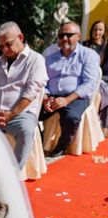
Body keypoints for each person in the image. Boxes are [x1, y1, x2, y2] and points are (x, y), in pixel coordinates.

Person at [0, 22, 48, 168]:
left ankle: (14, 173)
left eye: (8, 44)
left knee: (25, 130)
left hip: (21, 114)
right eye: (1, 46)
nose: (5, 49)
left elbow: (30, 93)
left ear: (20, 37)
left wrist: (11, 114)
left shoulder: (35, 60)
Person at [41, 21, 100, 157]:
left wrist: (67, 100)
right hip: (50, 96)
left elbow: (89, 84)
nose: (64, 39)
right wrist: (45, 98)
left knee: (71, 117)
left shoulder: (88, 55)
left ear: (78, 36)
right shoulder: (49, 54)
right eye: (61, 35)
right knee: (28, 110)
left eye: (69, 35)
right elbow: (41, 80)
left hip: (75, 96)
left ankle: (62, 145)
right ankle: (37, 141)